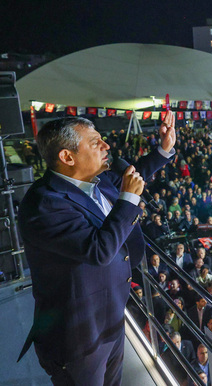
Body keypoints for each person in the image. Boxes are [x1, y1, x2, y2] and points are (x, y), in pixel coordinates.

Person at [18, 112, 176, 385]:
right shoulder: (44, 204)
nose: (106, 146)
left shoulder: (95, 181)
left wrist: (163, 149)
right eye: (95, 142)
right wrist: (129, 199)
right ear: (67, 157)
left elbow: (132, 174)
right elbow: (99, 251)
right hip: (79, 337)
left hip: (110, 320)